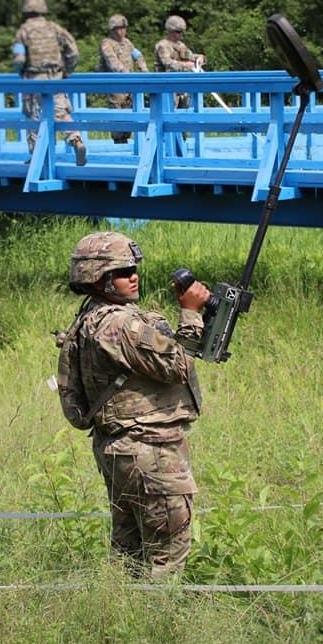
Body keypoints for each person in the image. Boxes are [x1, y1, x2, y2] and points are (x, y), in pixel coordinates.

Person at [56, 231, 210, 578]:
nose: (133, 276)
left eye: (133, 268)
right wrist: (190, 313)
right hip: (149, 451)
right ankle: (154, 627)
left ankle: (122, 617)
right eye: (123, 271)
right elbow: (177, 366)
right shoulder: (119, 325)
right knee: (166, 556)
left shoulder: (93, 318)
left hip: (122, 449)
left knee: (129, 555)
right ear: (99, 278)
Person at [12, 0, 87, 165]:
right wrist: (67, 71)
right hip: (56, 77)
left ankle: (38, 156)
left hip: (33, 79)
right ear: (43, 10)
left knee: (33, 116)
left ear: (26, 11)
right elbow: (73, 51)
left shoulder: (23, 31)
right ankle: (77, 141)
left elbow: (19, 59)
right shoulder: (54, 28)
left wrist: (19, 73)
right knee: (61, 112)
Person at [97, 14, 149, 144]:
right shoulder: (107, 43)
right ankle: (118, 142)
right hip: (115, 85)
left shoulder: (127, 43)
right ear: (113, 29)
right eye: (119, 28)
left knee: (129, 112)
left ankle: (125, 138)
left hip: (129, 84)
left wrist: (144, 70)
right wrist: (123, 71)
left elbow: (138, 56)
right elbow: (112, 60)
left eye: (124, 28)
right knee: (117, 114)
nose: (123, 31)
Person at [154, 15, 206, 109]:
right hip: (165, 85)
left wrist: (200, 57)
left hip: (180, 85)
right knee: (168, 113)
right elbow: (168, 63)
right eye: (178, 32)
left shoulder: (180, 45)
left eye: (182, 32)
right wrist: (186, 65)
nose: (181, 34)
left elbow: (189, 56)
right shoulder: (162, 46)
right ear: (170, 31)